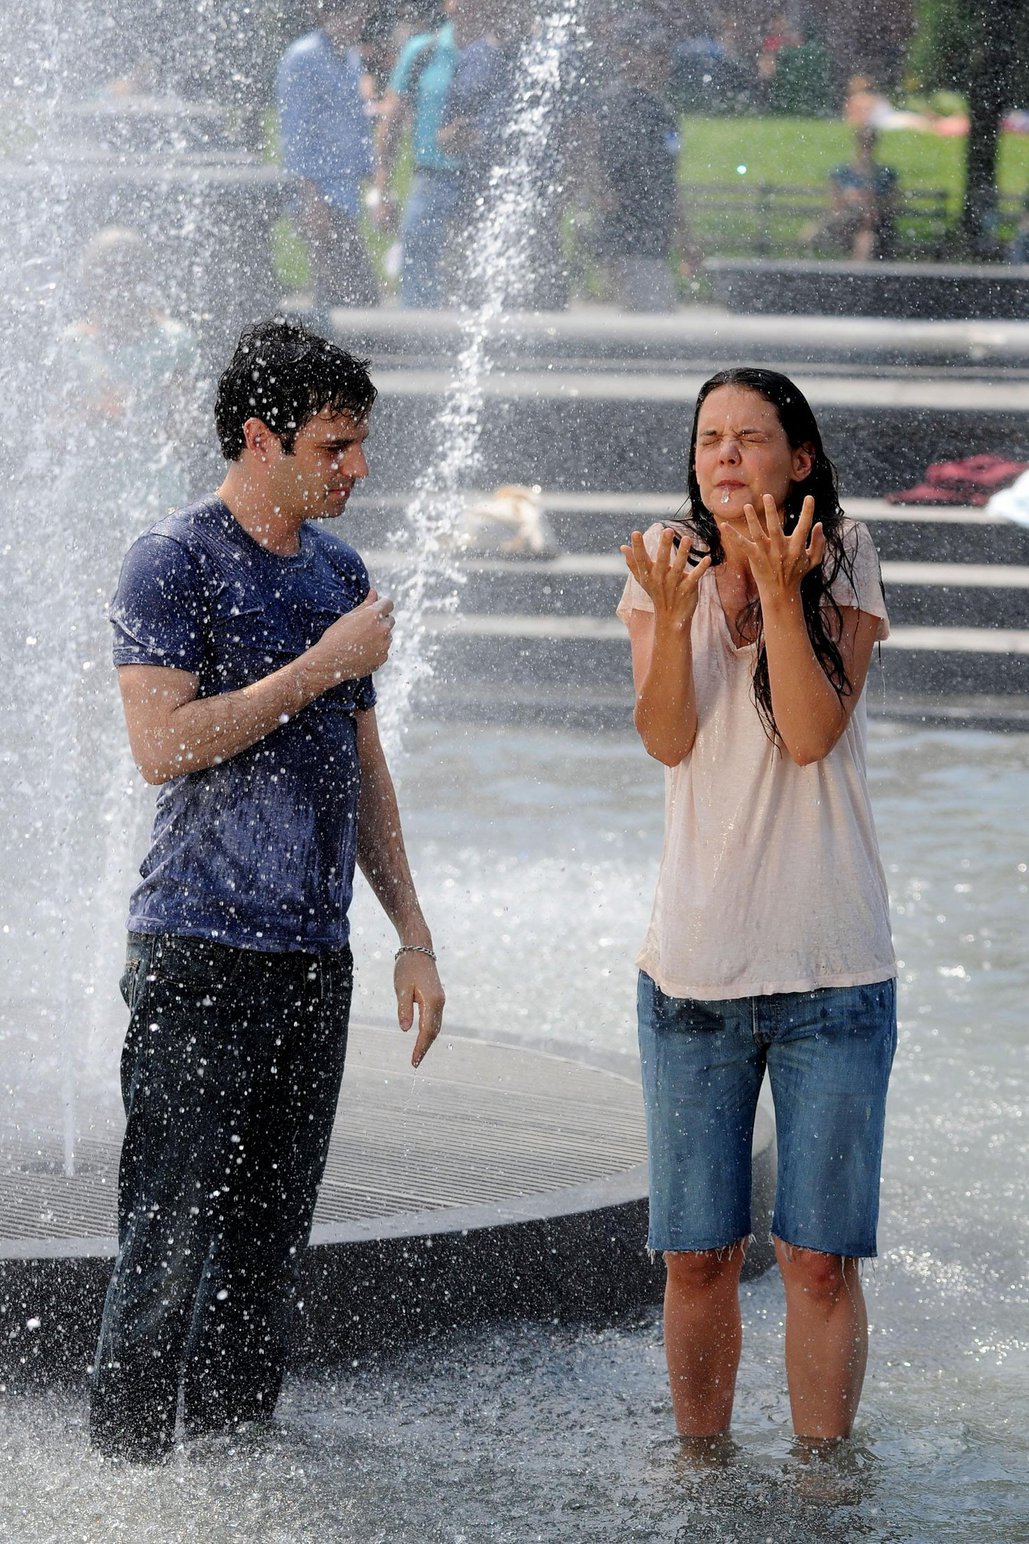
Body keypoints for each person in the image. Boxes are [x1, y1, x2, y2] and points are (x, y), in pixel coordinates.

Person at [89, 318, 446, 1463]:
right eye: (337, 445)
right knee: (169, 1235)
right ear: (260, 437)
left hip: (313, 958)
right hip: (198, 950)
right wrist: (322, 664)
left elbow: (365, 769)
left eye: (360, 443)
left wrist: (413, 933)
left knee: (267, 1244)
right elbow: (164, 744)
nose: (358, 468)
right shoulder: (173, 558)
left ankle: (238, 1471)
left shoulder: (341, 574)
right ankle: (134, 1486)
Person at [617, 368, 896, 1451]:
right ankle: (703, 1472)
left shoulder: (848, 552)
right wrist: (682, 614)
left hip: (833, 964)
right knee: (698, 1253)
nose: (725, 455)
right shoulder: (662, 567)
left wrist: (780, 591)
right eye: (709, 439)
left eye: (750, 437)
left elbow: (813, 731)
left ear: (801, 457)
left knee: (820, 1256)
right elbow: (668, 738)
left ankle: (824, 1485)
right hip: (693, 970)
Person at [373, 0, 485, 308]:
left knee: (477, 281)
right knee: (420, 276)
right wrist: (382, 191)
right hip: (432, 180)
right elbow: (390, 126)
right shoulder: (423, 52)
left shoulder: (498, 53)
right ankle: (418, 348)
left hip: (484, 184)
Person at [276, 0, 379, 307]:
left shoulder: (349, 58)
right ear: (324, 14)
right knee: (354, 296)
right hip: (321, 197)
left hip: (344, 197)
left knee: (341, 293)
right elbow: (294, 135)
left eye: (359, 11)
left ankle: (325, 351)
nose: (357, 20)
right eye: (348, 12)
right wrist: (310, 200)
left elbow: (356, 126)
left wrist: (374, 184)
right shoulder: (302, 58)